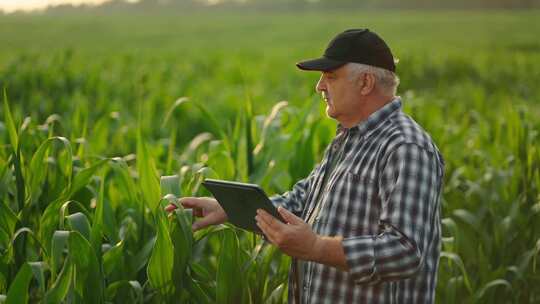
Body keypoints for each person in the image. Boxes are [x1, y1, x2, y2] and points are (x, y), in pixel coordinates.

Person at [166, 29, 445, 304]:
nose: (319, 86)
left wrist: (317, 248)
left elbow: (405, 252)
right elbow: (301, 202)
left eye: (331, 76)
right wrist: (228, 208)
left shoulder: (406, 148)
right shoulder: (347, 138)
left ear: (366, 83)